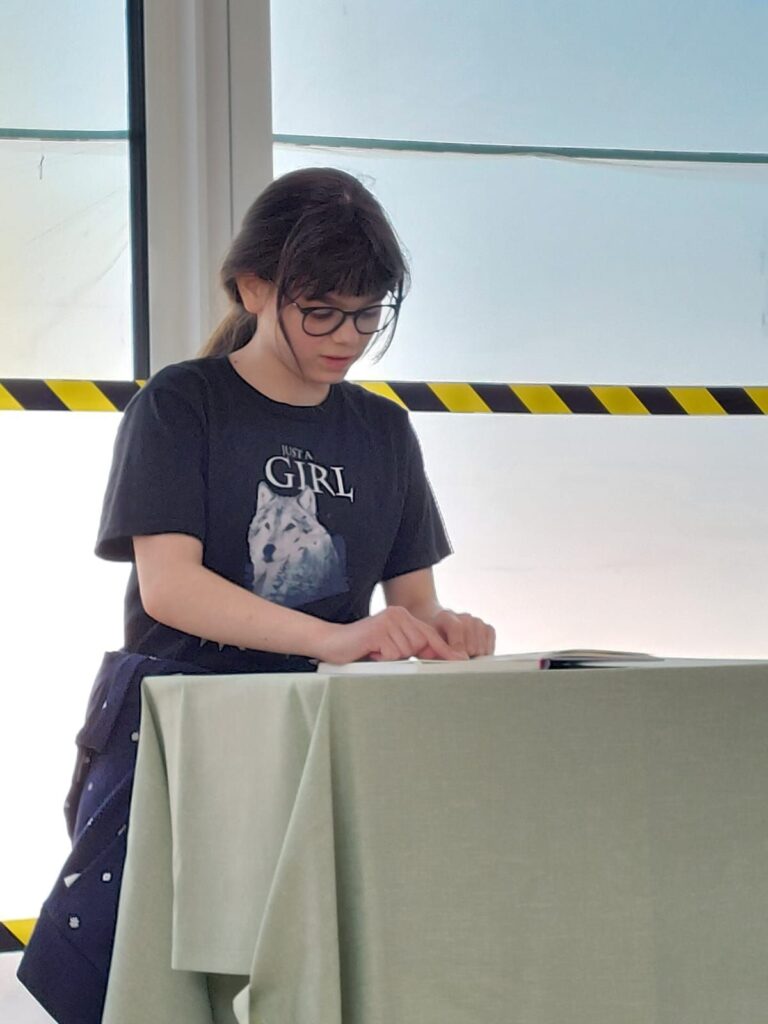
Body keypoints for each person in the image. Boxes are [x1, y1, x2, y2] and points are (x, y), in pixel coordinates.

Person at [18, 166, 494, 1023]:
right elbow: (171, 589)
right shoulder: (182, 404)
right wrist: (334, 639)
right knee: (144, 979)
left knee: (313, 977)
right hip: (179, 732)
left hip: (318, 738)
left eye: (369, 314)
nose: (348, 337)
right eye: (322, 311)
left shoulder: (383, 430)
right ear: (252, 286)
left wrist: (446, 632)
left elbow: (414, 606)